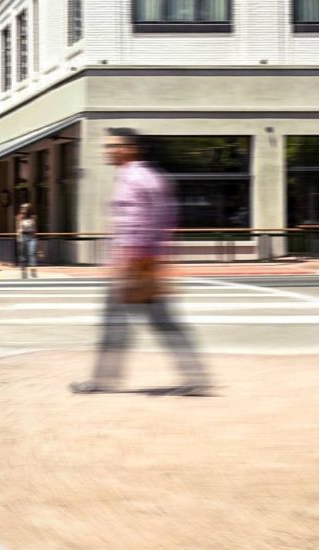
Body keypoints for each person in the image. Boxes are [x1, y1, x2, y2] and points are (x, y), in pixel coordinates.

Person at [71, 128, 212, 396]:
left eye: (114, 146)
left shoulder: (138, 178)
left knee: (148, 322)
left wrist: (136, 261)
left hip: (136, 264)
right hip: (138, 262)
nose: (108, 150)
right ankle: (194, 378)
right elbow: (163, 218)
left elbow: (145, 222)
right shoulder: (139, 177)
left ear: (130, 148)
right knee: (133, 323)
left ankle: (194, 379)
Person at [16, 203, 38, 279]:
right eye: (23, 208)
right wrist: (19, 237)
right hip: (23, 235)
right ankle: (23, 270)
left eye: (26, 208)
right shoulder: (19, 217)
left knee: (32, 253)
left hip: (31, 236)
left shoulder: (33, 217)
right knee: (23, 254)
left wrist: (35, 236)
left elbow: (34, 228)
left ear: (29, 209)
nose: (24, 209)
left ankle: (33, 270)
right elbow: (18, 228)